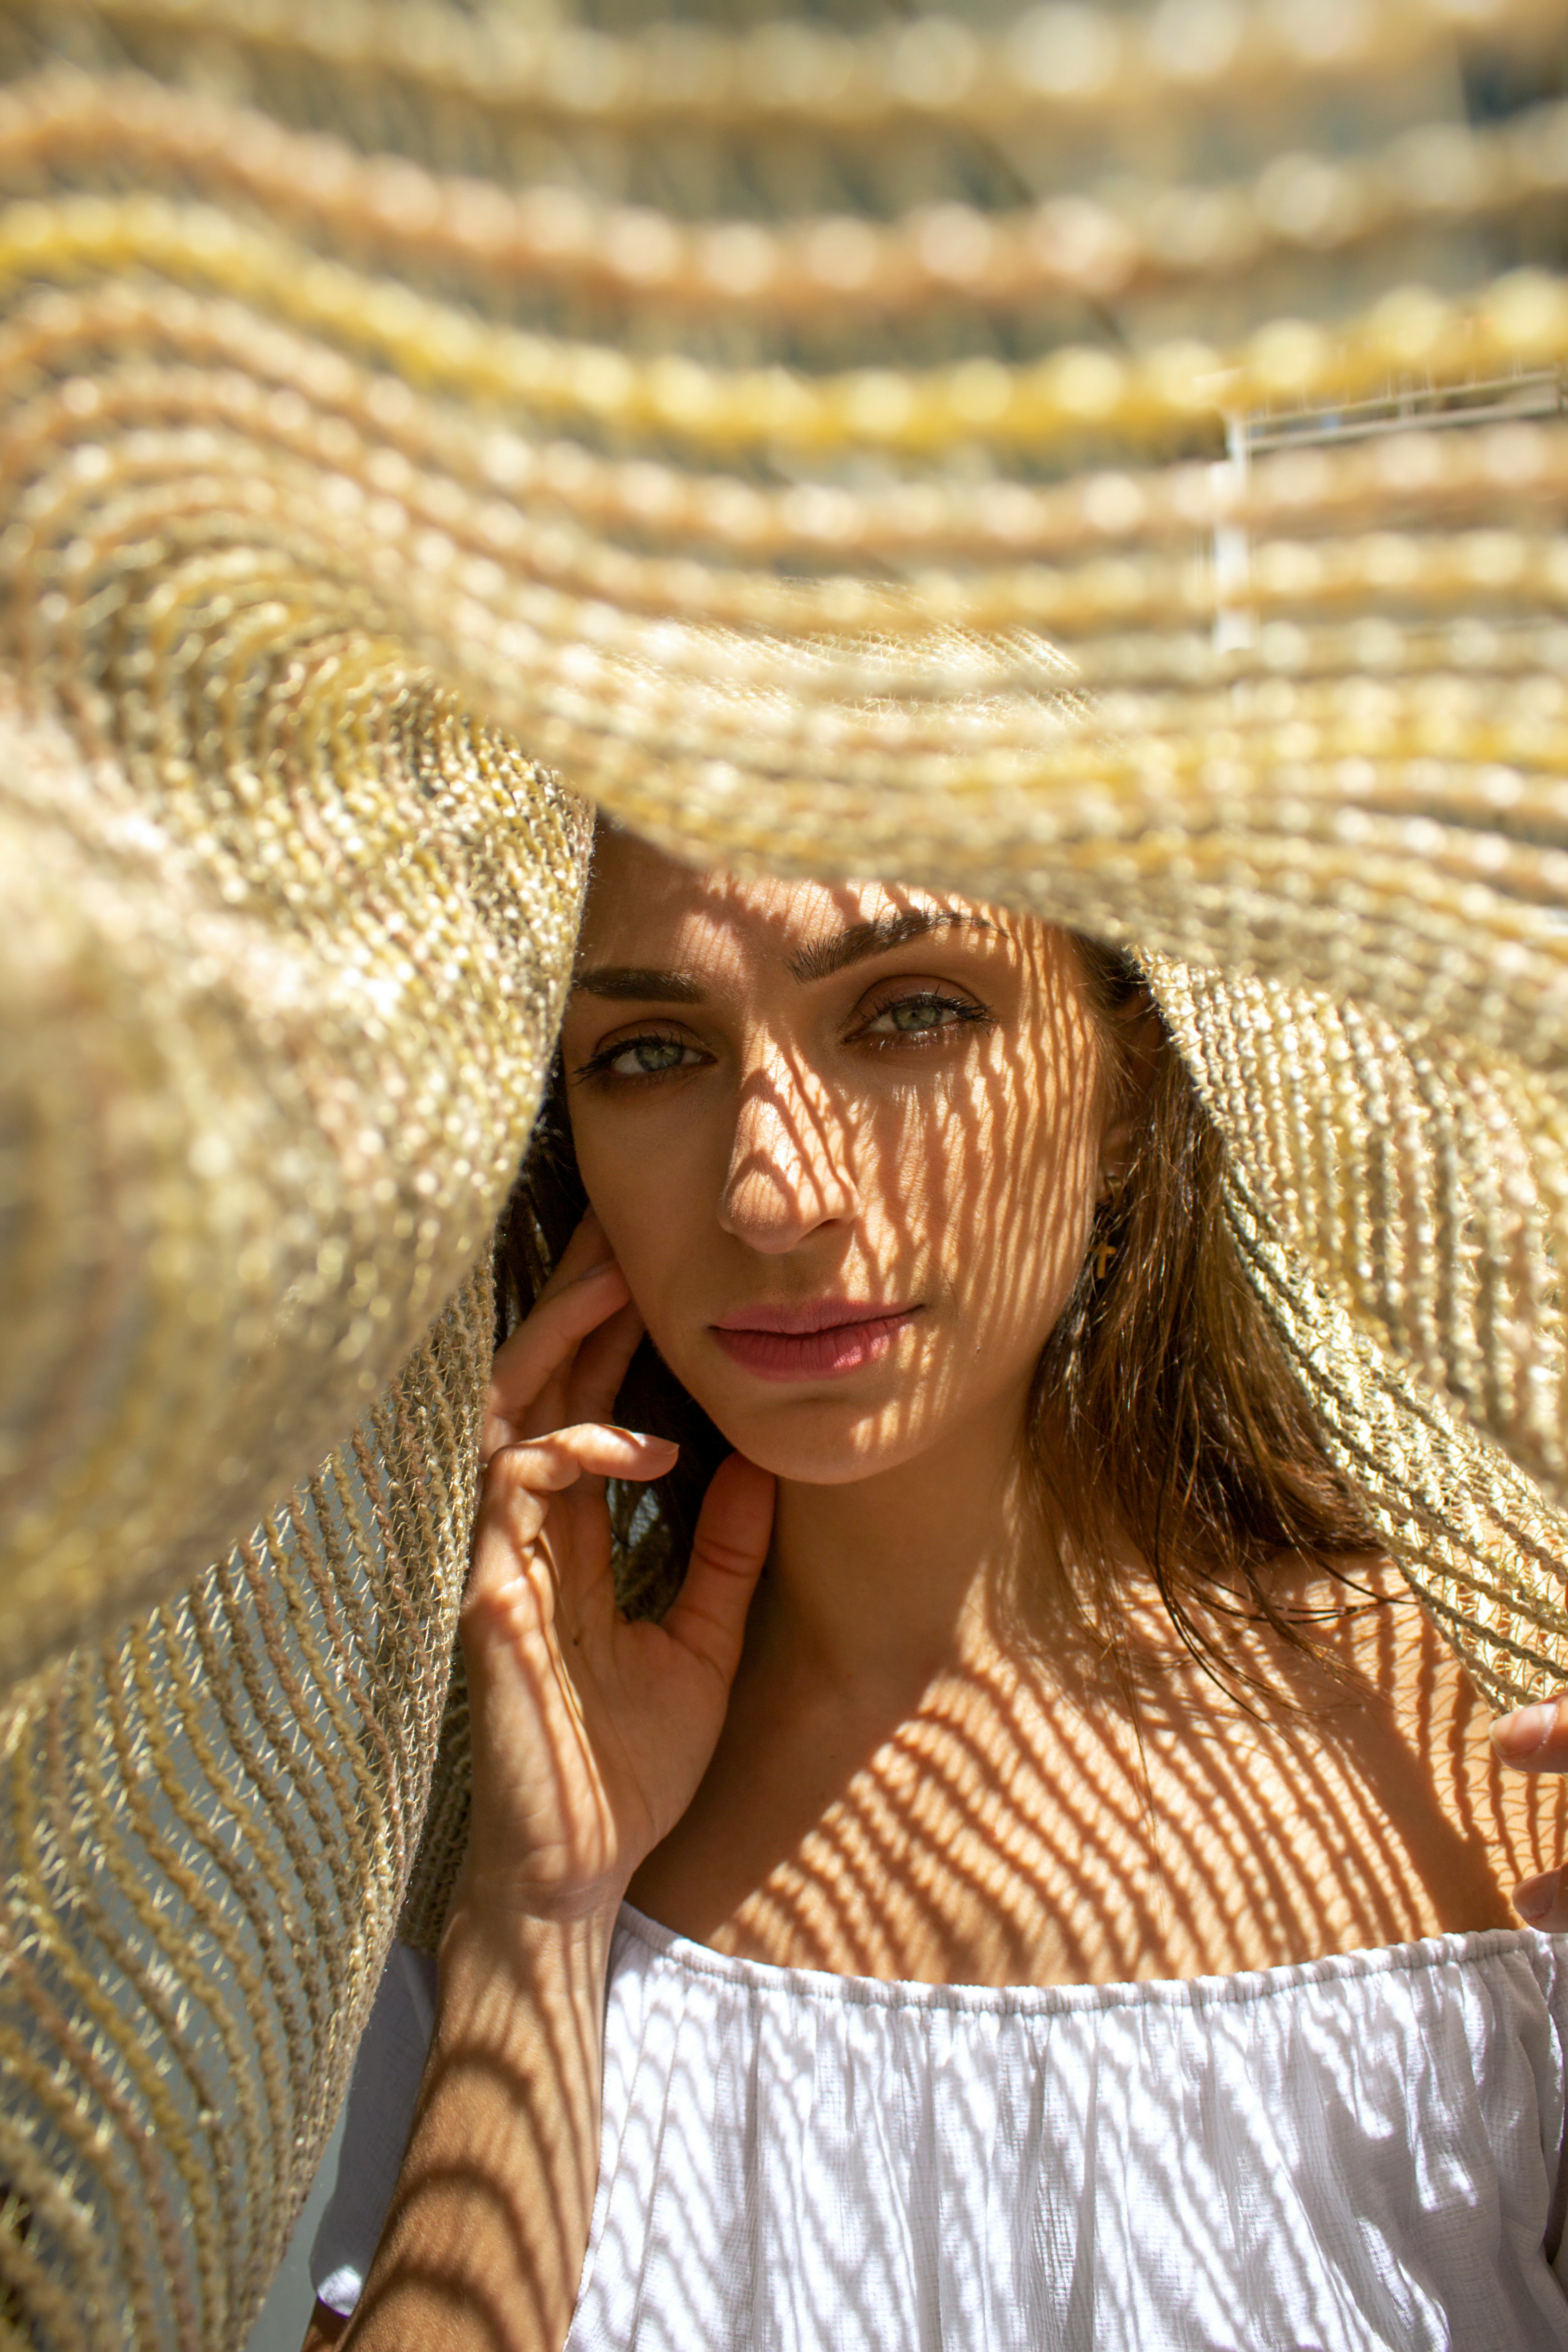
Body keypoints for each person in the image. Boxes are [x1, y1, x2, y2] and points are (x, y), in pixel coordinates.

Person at [304, 825, 1568, 2352]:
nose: (772, 1196)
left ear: (1131, 1082)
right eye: (648, 1052)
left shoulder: (1507, 1760)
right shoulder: (490, 1809)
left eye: (910, 1015)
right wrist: (540, 1913)